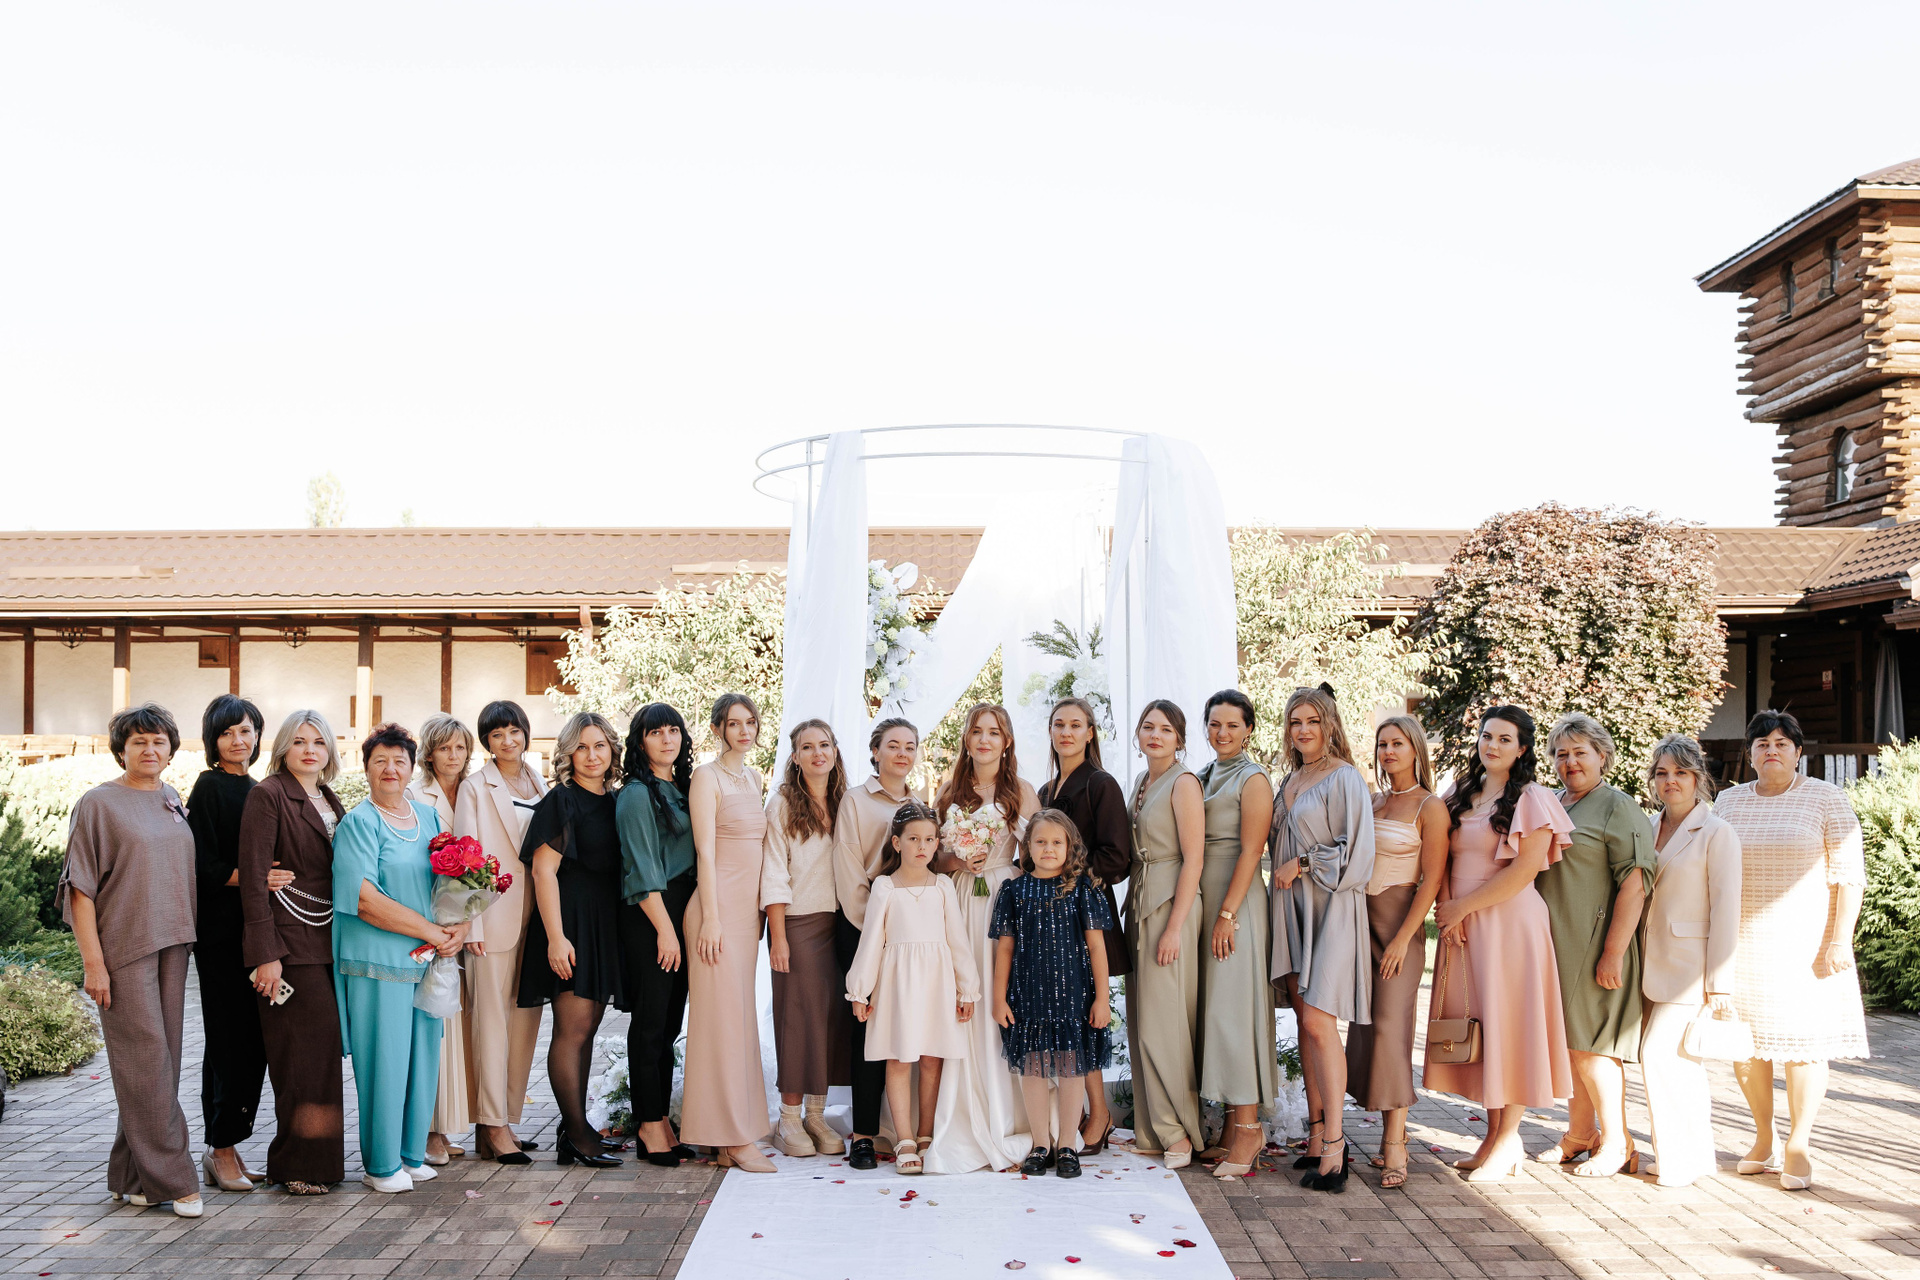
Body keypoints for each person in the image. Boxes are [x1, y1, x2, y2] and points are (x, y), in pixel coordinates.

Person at [1715, 709, 1870, 1191]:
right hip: (1742, 943)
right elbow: (1711, 869)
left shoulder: (1826, 797)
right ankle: (1763, 1138)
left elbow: (1849, 875)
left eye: (1782, 743)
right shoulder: (1728, 801)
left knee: (1803, 1045)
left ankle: (1798, 1144)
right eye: (1762, 743)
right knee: (1748, 1045)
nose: (1772, 750)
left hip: (1807, 945)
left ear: (1798, 753)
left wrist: (1840, 939)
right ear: (1749, 754)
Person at [61, 703, 204, 1218]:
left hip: (173, 944)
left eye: (159, 741)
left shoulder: (171, 797)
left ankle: (131, 1177)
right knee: (146, 1064)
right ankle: (177, 1180)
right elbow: (80, 889)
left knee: (159, 1064)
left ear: (171, 749)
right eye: (139, 741)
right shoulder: (98, 804)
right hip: (124, 949)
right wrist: (93, 965)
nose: (149, 749)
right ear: (121, 748)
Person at [1424, 705, 1575, 1182]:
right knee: (1482, 1027)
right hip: (1462, 924)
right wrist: (1447, 910)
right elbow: (1440, 858)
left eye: (1505, 739)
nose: (1492, 745)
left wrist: (1462, 908)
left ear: (1522, 748)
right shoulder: (1459, 793)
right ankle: (1492, 1139)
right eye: (1487, 736)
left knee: (1510, 1027)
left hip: (1511, 925)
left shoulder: (1533, 797)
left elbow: (1525, 869)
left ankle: (1509, 1140)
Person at [333, 723, 466, 1193]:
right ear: (366, 768)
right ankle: (381, 1164)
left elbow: (452, 883)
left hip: (426, 959)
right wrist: (431, 931)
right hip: (378, 961)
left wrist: (460, 926)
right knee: (384, 1062)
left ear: (413, 767)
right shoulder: (359, 823)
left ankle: (410, 1154)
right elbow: (364, 899)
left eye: (399, 761)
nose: (390, 769)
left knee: (422, 1058)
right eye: (380, 761)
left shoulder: (429, 818)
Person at [1536, 713, 1655, 1178]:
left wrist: (1612, 952)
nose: (1570, 762)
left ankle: (1618, 1142)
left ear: (1602, 756)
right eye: (1561, 754)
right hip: (1553, 943)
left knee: (1594, 1047)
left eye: (1580, 752)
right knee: (1570, 1046)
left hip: (1595, 944)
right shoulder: (1552, 803)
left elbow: (1636, 883)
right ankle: (1580, 1134)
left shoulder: (1617, 807)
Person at [238, 710, 348, 1195]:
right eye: (299, 741)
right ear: (283, 747)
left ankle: (317, 1162)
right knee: (302, 1058)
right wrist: (266, 954)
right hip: (287, 945)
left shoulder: (329, 797)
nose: (309, 750)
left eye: (318, 742)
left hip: (328, 940)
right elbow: (253, 879)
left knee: (322, 1056)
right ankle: (295, 1165)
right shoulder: (268, 795)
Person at [927, 703, 1040, 1174]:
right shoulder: (948, 790)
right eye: (977, 731)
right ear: (967, 739)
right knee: (959, 991)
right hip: (959, 896)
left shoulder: (1022, 791)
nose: (985, 739)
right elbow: (931, 854)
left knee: (1001, 992)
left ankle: (1009, 1113)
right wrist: (957, 861)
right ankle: (959, 1110)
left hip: (1002, 896)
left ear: (1006, 741)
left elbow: (1038, 852)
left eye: (994, 732)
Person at [1268, 687, 1373, 1191]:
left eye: (1313, 720)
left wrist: (1304, 863)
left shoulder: (1345, 777)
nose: (1303, 730)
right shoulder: (1288, 780)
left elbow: (1359, 854)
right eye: (1295, 722)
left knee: (1318, 1021)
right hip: (1290, 908)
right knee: (1303, 1021)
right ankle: (1315, 1136)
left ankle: (1336, 1142)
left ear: (1329, 725)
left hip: (1330, 905)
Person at [518, 711, 629, 1169]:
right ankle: (578, 1134)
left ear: (612, 750)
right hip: (571, 925)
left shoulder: (617, 800)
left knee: (588, 1032)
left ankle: (575, 1129)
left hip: (603, 925)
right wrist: (556, 939)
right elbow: (542, 872)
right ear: (567, 753)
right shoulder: (561, 801)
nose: (591, 755)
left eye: (599, 745)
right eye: (581, 747)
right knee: (572, 1031)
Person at [846, 800, 979, 1176]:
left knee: (932, 1058)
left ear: (938, 844)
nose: (922, 846)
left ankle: (926, 1134)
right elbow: (871, 941)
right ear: (897, 843)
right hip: (898, 984)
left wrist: (967, 989)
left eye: (930, 839)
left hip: (937, 983)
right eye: (914, 838)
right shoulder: (885, 887)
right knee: (900, 1058)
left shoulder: (943, 886)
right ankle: (904, 1138)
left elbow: (958, 941)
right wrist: (860, 990)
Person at [1347, 714, 1447, 1190]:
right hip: (1359, 926)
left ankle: (1395, 1142)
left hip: (1398, 927)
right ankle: (1382, 1131)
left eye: (1398, 744)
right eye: (1383, 744)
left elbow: (1432, 881)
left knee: (1391, 1028)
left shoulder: (1431, 806)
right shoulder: (1372, 800)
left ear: (1415, 750)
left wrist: (1404, 939)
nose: (1388, 752)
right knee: (1365, 1027)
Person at [990, 810, 1113, 1179]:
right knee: (1033, 1070)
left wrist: (1102, 998)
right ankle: (1041, 1144)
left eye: (1057, 842)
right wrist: (999, 997)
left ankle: (1068, 1145)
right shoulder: (1014, 891)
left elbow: (1097, 947)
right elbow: (1005, 948)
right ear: (1027, 846)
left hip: (1073, 997)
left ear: (1069, 846)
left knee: (1072, 1071)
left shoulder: (1082, 889)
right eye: (1040, 841)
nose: (1048, 848)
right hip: (1028, 997)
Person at [680, 693, 775, 1172]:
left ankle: (727, 1139)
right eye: (734, 723)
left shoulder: (753, 778)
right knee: (719, 1023)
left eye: (750, 722)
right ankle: (732, 1139)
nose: (744, 731)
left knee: (738, 1021)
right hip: (714, 914)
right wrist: (712, 917)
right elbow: (706, 852)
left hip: (744, 916)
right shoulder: (706, 777)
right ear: (718, 728)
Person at [1641, 734, 1741, 1188]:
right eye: (1662, 773)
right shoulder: (1645, 826)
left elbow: (1726, 909)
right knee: (1681, 1064)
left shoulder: (1718, 833)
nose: (1671, 781)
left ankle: (1678, 1161)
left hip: (1690, 967)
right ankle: (1696, 1156)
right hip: (1644, 961)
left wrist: (1719, 982)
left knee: (1659, 1056)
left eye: (1681, 772)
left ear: (1698, 778)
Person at [1034, 696, 1130, 1154]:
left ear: (1090, 733)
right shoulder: (1044, 791)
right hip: (1050, 919)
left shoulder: (1101, 784)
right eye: (1059, 724)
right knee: (1066, 1015)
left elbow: (1117, 857)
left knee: (1087, 1014)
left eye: (1076, 725)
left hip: (1084, 912)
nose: (1066, 732)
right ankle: (1086, 1112)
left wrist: (1069, 878)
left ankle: (1100, 1113)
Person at [454, 699, 547, 1165]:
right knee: (490, 1022)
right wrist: (471, 922)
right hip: (491, 918)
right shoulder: (475, 787)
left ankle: (506, 1118)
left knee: (523, 1021)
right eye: (496, 735)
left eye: (514, 731)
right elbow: (465, 857)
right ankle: (492, 1124)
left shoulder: (538, 780)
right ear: (486, 742)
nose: (508, 741)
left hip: (539, 914)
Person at [831, 716, 922, 1170]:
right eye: (893, 745)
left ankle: (900, 1130)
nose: (902, 753)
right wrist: (877, 928)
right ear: (875, 751)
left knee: (900, 1029)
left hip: (907, 936)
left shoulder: (920, 805)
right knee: (865, 1028)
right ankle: (863, 1134)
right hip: (862, 927)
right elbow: (848, 870)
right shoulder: (855, 800)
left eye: (910, 746)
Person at [761, 720, 855, 1157]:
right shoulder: (781, 804)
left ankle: (816, 1115)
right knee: (797, 1021)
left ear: (835, 751)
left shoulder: (845, 801)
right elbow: (773, 871)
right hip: (797, 925)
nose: (818, 753)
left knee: (830, 1019)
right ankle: (789, 1118)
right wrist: (778, 937)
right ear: (795, 757)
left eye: (825, 745)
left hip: (841, 925)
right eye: (807, 747)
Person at [186, 693, 267, 1194]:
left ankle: (228, 1146)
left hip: (256, 930)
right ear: (213, 740)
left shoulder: (258, 788)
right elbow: (203, 866)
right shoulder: (210, 787)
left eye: (245, 730)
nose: (238, 740)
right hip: (220, 936)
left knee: (250, 1042)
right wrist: (256, 878)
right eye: (227, 732)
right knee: (227, 1042)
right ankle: (220, 1150)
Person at [1194, 689, 1276, 1181]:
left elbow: (1252, 850)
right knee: (1216, 1012)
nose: (1222, 732)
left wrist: (1227, 913)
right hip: (1207, 901)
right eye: (1214, 724)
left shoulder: (1253, 779)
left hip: (1236, 902)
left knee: (1233, 1013)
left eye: (1232, 724)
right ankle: (1229, 1126)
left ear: (1248, 729)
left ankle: (1249, 1128)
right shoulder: (1205, 774)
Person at [1123, 700, 1207, 1170]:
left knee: (1167, 1023)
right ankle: (1154, 1130)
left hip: (1171, 907)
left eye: (1166, 729)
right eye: (1148, 727)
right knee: (1142, 1021)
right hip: (1140, 904)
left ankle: (1181, 1133)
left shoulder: (1183, 782)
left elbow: (1194, 859)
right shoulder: (1141, 782)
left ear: (1179, 738)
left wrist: (1175, 927)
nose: (1155, 735)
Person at [616, 702, 697, 1167]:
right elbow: (642, 869)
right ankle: (647, 1125)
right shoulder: (635, 795)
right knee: (649, 1024)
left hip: (680, 911)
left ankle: (662, 1120)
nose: (667, 739)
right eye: (655, 732)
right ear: (640, 741)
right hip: (652, 915)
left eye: (673, 730)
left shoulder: (681, 787)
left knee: (668, 1025)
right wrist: (666, 931)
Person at [409, 712, 476, 1166]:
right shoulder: (415, 794)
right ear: (429, 753)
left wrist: (466, 917)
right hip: (426, 919)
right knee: (431, 1024)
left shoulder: (473, 791)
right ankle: (428, 1129)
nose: (453, 755)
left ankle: (445, 1124)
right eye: (444, 748)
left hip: (463, 922)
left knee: (455, 1028)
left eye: (460, 747)